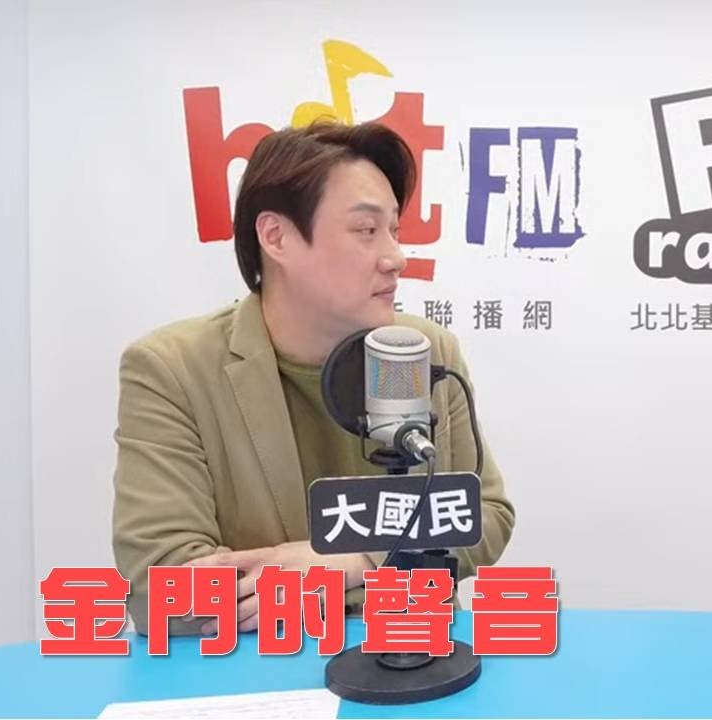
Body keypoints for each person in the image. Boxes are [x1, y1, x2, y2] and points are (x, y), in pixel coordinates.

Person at [113, 121, 515, 635]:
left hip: (411, 652)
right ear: (276, 237)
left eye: (394, 231)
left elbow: (483, 514)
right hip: (259, 668)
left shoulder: (425, 350)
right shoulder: (172, 370)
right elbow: (162, 586)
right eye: (366, 230)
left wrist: (350, 560)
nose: (396, 258)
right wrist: (401, 562)